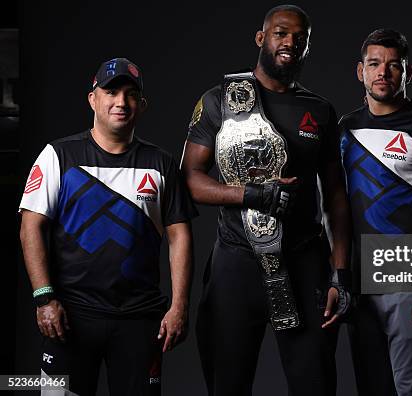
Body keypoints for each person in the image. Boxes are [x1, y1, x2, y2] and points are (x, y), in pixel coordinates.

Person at [180, 5, 351, 395]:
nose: (289, 42)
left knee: (315, 384)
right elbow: (189, 179)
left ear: (307, 47)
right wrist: (250, 194)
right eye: (280, 33)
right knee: (228, 384)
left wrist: (340, 273)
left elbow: (336, 198)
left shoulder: (320, 110)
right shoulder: (218, 100)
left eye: (299, 38)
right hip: (237, 263)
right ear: (261, 38)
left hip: (305, 260)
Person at [19, 58, 197, 395]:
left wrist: (179, 306)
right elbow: (31, 226)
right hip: (69, 316)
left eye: (130, 95)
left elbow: (180, 236)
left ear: (141, 106)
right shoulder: (58, 156)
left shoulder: (160, 164)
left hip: (140, 319)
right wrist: (45, 299)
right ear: (93, 99)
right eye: (111, 91)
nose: (121, 102)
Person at [339, 29, 412, 396]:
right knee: (371, 385)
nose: (383, 73)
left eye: (393, 66)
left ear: (407, 72)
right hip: (358, 279)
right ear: (361, 71)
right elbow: (334, 207)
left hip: (407, 274)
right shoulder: (345, 128)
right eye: (374, 64)